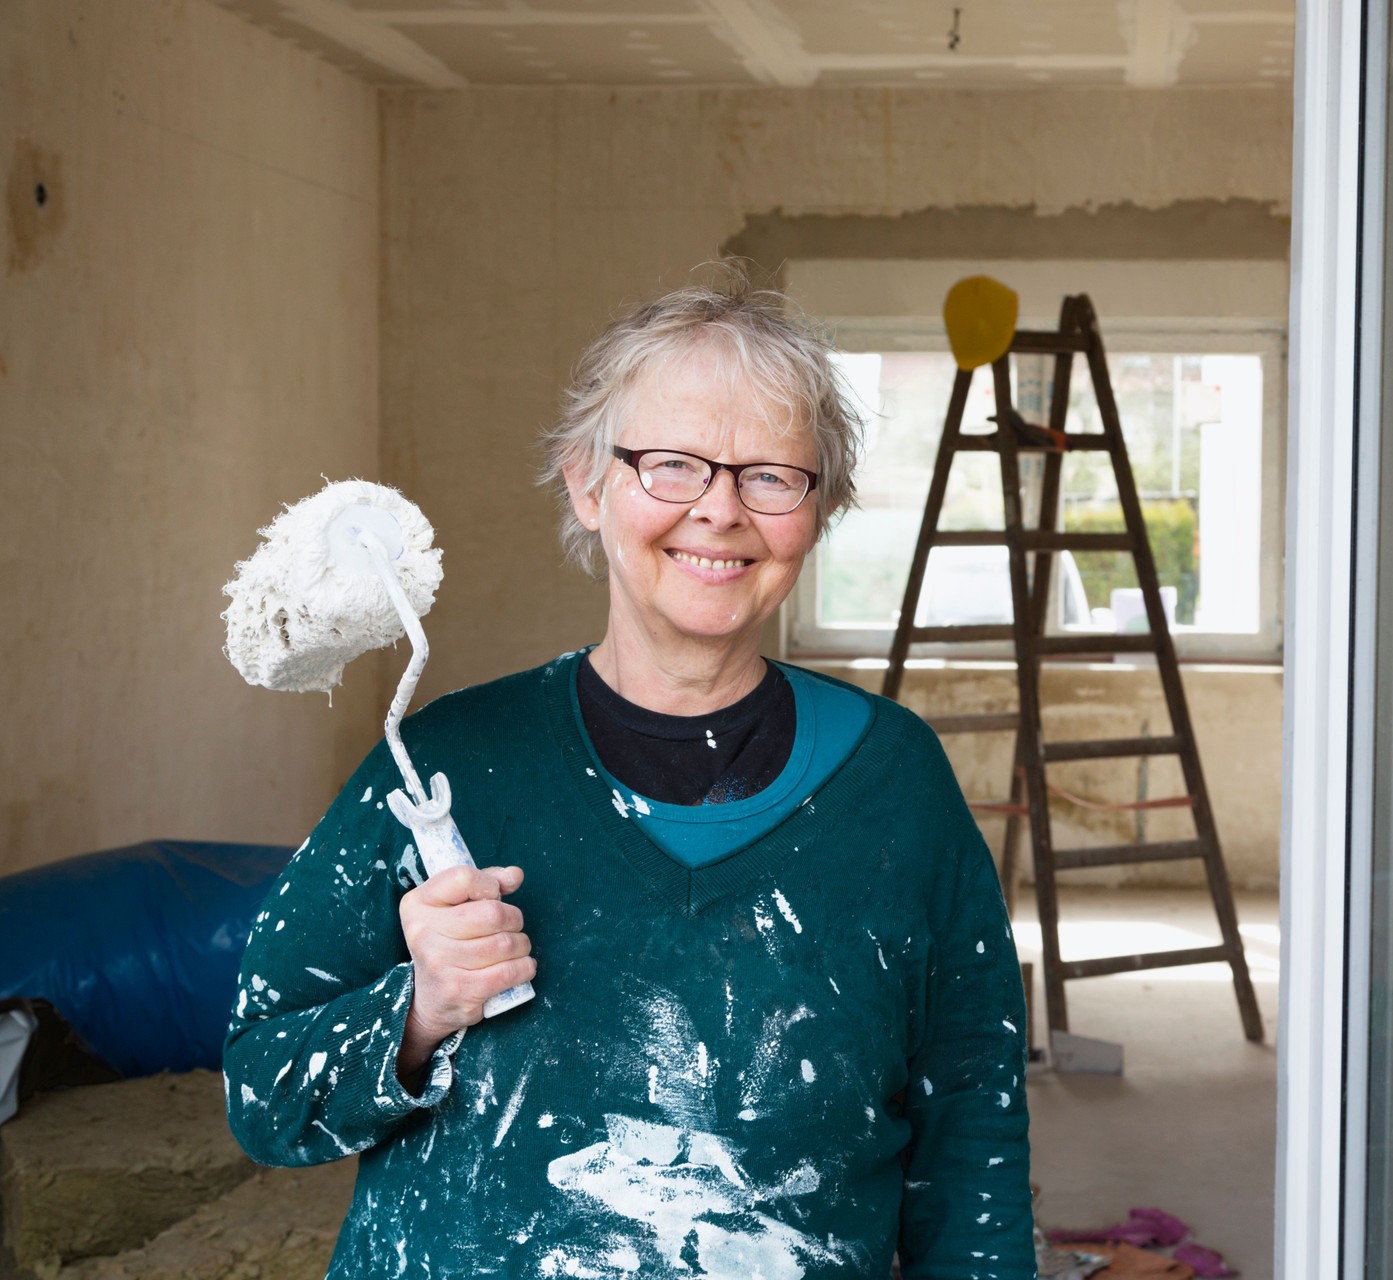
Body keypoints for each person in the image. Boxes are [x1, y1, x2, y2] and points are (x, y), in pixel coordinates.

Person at [223, 272, 1035, 1279]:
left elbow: (972, 1137)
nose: (721, 511)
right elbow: (259, 1092)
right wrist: (418, 1009)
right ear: (586, 482)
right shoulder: (444, 765)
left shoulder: (896, 782)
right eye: (673, 465)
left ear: (818, 510)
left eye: (773, 474)